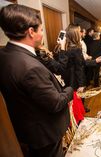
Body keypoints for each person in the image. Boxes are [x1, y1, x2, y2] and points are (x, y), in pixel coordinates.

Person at [0, 4, 73, 157]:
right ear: (31, 32)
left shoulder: (6, 54)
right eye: (41, 29)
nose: (42, 34)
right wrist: (69, 90)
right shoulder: (30, 67)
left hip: (25, 126)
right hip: (43, 133)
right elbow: (56, 103)